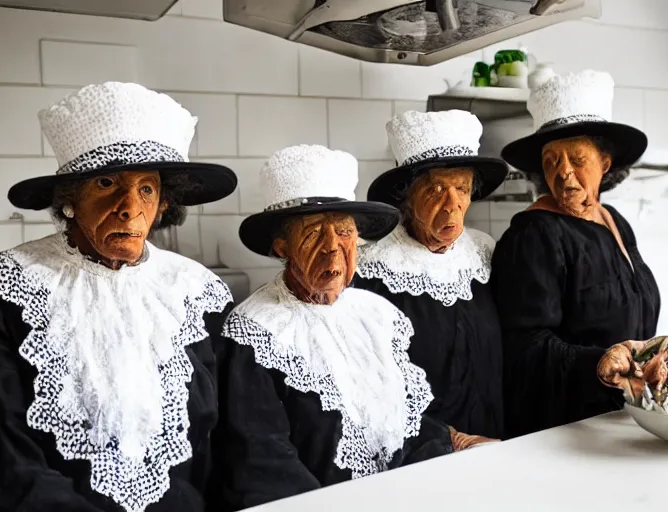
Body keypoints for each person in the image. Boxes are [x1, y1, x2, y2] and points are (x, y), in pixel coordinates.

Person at [0, 82, 239, 512]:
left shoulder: (200, 293)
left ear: (162, 205)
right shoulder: (0, 286)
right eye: (106, 182)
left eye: (147, 189)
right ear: (69, 199)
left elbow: (224, 440)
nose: (130, 207)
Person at [215, 144, 497, 511]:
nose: (333, 249)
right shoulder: (255, 330)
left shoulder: (376, 315)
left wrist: (454, 440)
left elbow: (397, 422)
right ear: (282, 245)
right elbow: (261, 458)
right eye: (315, 233)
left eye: (345, 232)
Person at [493, 69, 661, 438]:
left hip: (623, 415)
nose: (564, 172)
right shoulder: (533, 234)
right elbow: (523, 346)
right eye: (551, 160)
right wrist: (598, 363)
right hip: (566, 426)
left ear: (605, 162)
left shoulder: (613, 221)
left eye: (577, 159)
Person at [354, 110, 509, 439]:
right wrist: (447, 441)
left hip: (493, 442)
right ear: (407, 197)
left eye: (462, 189)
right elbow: (371, 387)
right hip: (421, 451)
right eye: (436, 190)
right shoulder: (371, 270)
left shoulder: (484, 253)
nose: (452, 204)